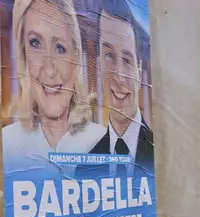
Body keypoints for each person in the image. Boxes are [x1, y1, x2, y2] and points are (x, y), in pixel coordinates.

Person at [3, 0, 105, 172]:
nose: (49, 70)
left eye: (60, 48)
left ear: (75, 59)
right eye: (35, 43)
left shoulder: (102, 141)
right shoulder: (6, 144)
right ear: (23, 56)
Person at [88, 0, 154, 177]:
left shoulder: (161, 154)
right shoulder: (85, 167)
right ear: (99, 65)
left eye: (127, 60)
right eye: (109, 55)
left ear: (139, 73)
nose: (118, 76)